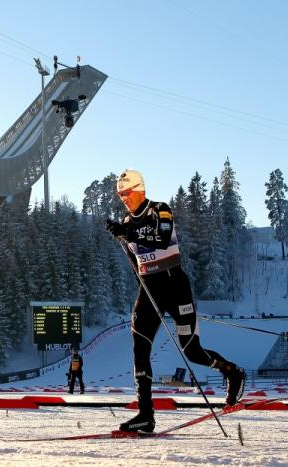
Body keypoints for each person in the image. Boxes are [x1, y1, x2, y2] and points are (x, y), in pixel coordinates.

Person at [105, 169, 246, 433]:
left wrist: (128, 233)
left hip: (175, 286)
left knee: (192, 351)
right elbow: (137, 263)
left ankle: (231, 371)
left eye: (127, 192)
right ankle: (145, 414)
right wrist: (125, 237)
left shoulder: (160, 209)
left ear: (140, 190)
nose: (123, 198)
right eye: (120, 194)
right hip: (149, 289)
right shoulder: (127, 221)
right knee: (140, 347)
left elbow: (161, 240)